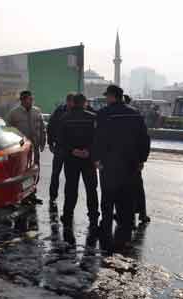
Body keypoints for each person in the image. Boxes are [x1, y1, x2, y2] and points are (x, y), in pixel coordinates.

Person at [93, 85, 150, 252]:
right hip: (130, 165)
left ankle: (106, 230)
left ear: (112, 97)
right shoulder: (135, 114)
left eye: (107, 96)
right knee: (126, 199)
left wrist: (96, 159)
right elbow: (144, 139)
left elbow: (97, 138)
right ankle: (124, 233)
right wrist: (141, 160)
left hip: (109, 165)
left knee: (108, 198)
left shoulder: (103, 114)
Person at [57, 93, 99, 230]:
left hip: (71, 159)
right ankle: (93, 216)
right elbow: (97, 139)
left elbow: (61, 140)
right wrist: (88, 151)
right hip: (88, 160)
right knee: (91, 189)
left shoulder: (64, 118)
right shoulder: (92, 118)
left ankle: (67, 215)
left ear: (73, 103)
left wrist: (72, 150)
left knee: (70, 188)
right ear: (85, 103)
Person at [6, 90, 46, 204]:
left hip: (35, 147)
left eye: (32, 99)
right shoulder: (14, 113)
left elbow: (42, 128)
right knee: (22, 173)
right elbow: (7, 130)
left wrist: (43, 142)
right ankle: (22, 197)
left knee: (35, 171)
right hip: (21, 149)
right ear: (23, 100)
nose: (32, 101)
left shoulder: (37, 111)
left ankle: (32, 194)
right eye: (29, 99)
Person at [123, 94, 151, 226]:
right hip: (134, 159)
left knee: (121, 187)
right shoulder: (137, 116)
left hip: (120, 159)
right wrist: (142, 159)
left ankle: (124, 213)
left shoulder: (116, 116)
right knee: (137, 186)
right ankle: (142, 213)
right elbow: (145, 139)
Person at [47, 93, 74, 204]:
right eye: (70, 102)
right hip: (59, 147)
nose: (71, 104)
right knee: (55, 173)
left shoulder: (76, 112)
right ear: (67, 101)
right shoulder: (59, 111)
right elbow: (51, 126)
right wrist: (50, 143)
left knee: (70, 175)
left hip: (71, 149)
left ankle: (69, 198)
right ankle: (53, 196)